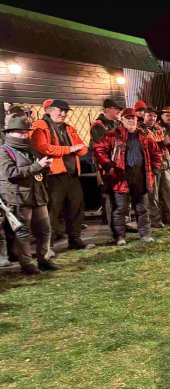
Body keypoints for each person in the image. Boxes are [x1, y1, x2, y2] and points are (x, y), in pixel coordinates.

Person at [93, 107, 162, 246]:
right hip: (120, 177)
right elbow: (99, 149)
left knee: (142, 208)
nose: (131, 120)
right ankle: (119, 236)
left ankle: (145, 234)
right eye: (128, 118)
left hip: (140, 176)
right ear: (122, 120)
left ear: (137, 119)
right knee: (120, 209)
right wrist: (108, 165)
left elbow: (156, 153)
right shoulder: (113, 135)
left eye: (133, 118)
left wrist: (154, 168)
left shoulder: (144, 136)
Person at [30, 99, 92, 250]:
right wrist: (69, 149)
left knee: (76, 207)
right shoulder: (40, 126)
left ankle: (75, 238)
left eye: (66, 111)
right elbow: (43, 147)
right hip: (52, 175)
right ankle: (47, 245)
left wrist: (78, 149)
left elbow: (82, 148)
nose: (63, 114)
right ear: (49, 110)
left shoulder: (69, 127)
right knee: (52, 211)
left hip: (72, 174)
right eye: (60, 110)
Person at [0, 115, 57, 274]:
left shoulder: (30, 148)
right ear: (9, 133)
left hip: (37, 195)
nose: (24, 135)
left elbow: (35, 170)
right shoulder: (3, 151)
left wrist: (45, 167)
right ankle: (27, 264)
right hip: (19, 198)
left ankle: (43, 259)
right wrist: (37, 166)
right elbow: (11, 174)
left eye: (26, 132)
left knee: (45, 229)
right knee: (23, 232)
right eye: (20, 132)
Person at [90, 98, 123, 233]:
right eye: (116, 109)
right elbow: (101, 148)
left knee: (121, 195)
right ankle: (114, 228)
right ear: (107, 109)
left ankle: (122, 223)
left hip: (119, 165)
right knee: (110, 196)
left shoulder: (116, 124)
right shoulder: (98, 126)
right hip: (107, 167)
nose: (118, 111)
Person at [142, 106, 170, 227]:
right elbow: (146, 146)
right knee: (153, 193)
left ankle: (168, 215)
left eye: (154, 116)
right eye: (149, 115)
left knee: (169, 189)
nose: (152, 118)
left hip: (164, 162)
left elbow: (166, 144)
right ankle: (155, 219)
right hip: (151, 165)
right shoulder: (140, 129)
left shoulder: (159, 128)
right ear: (144, 116)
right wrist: (163, 142)